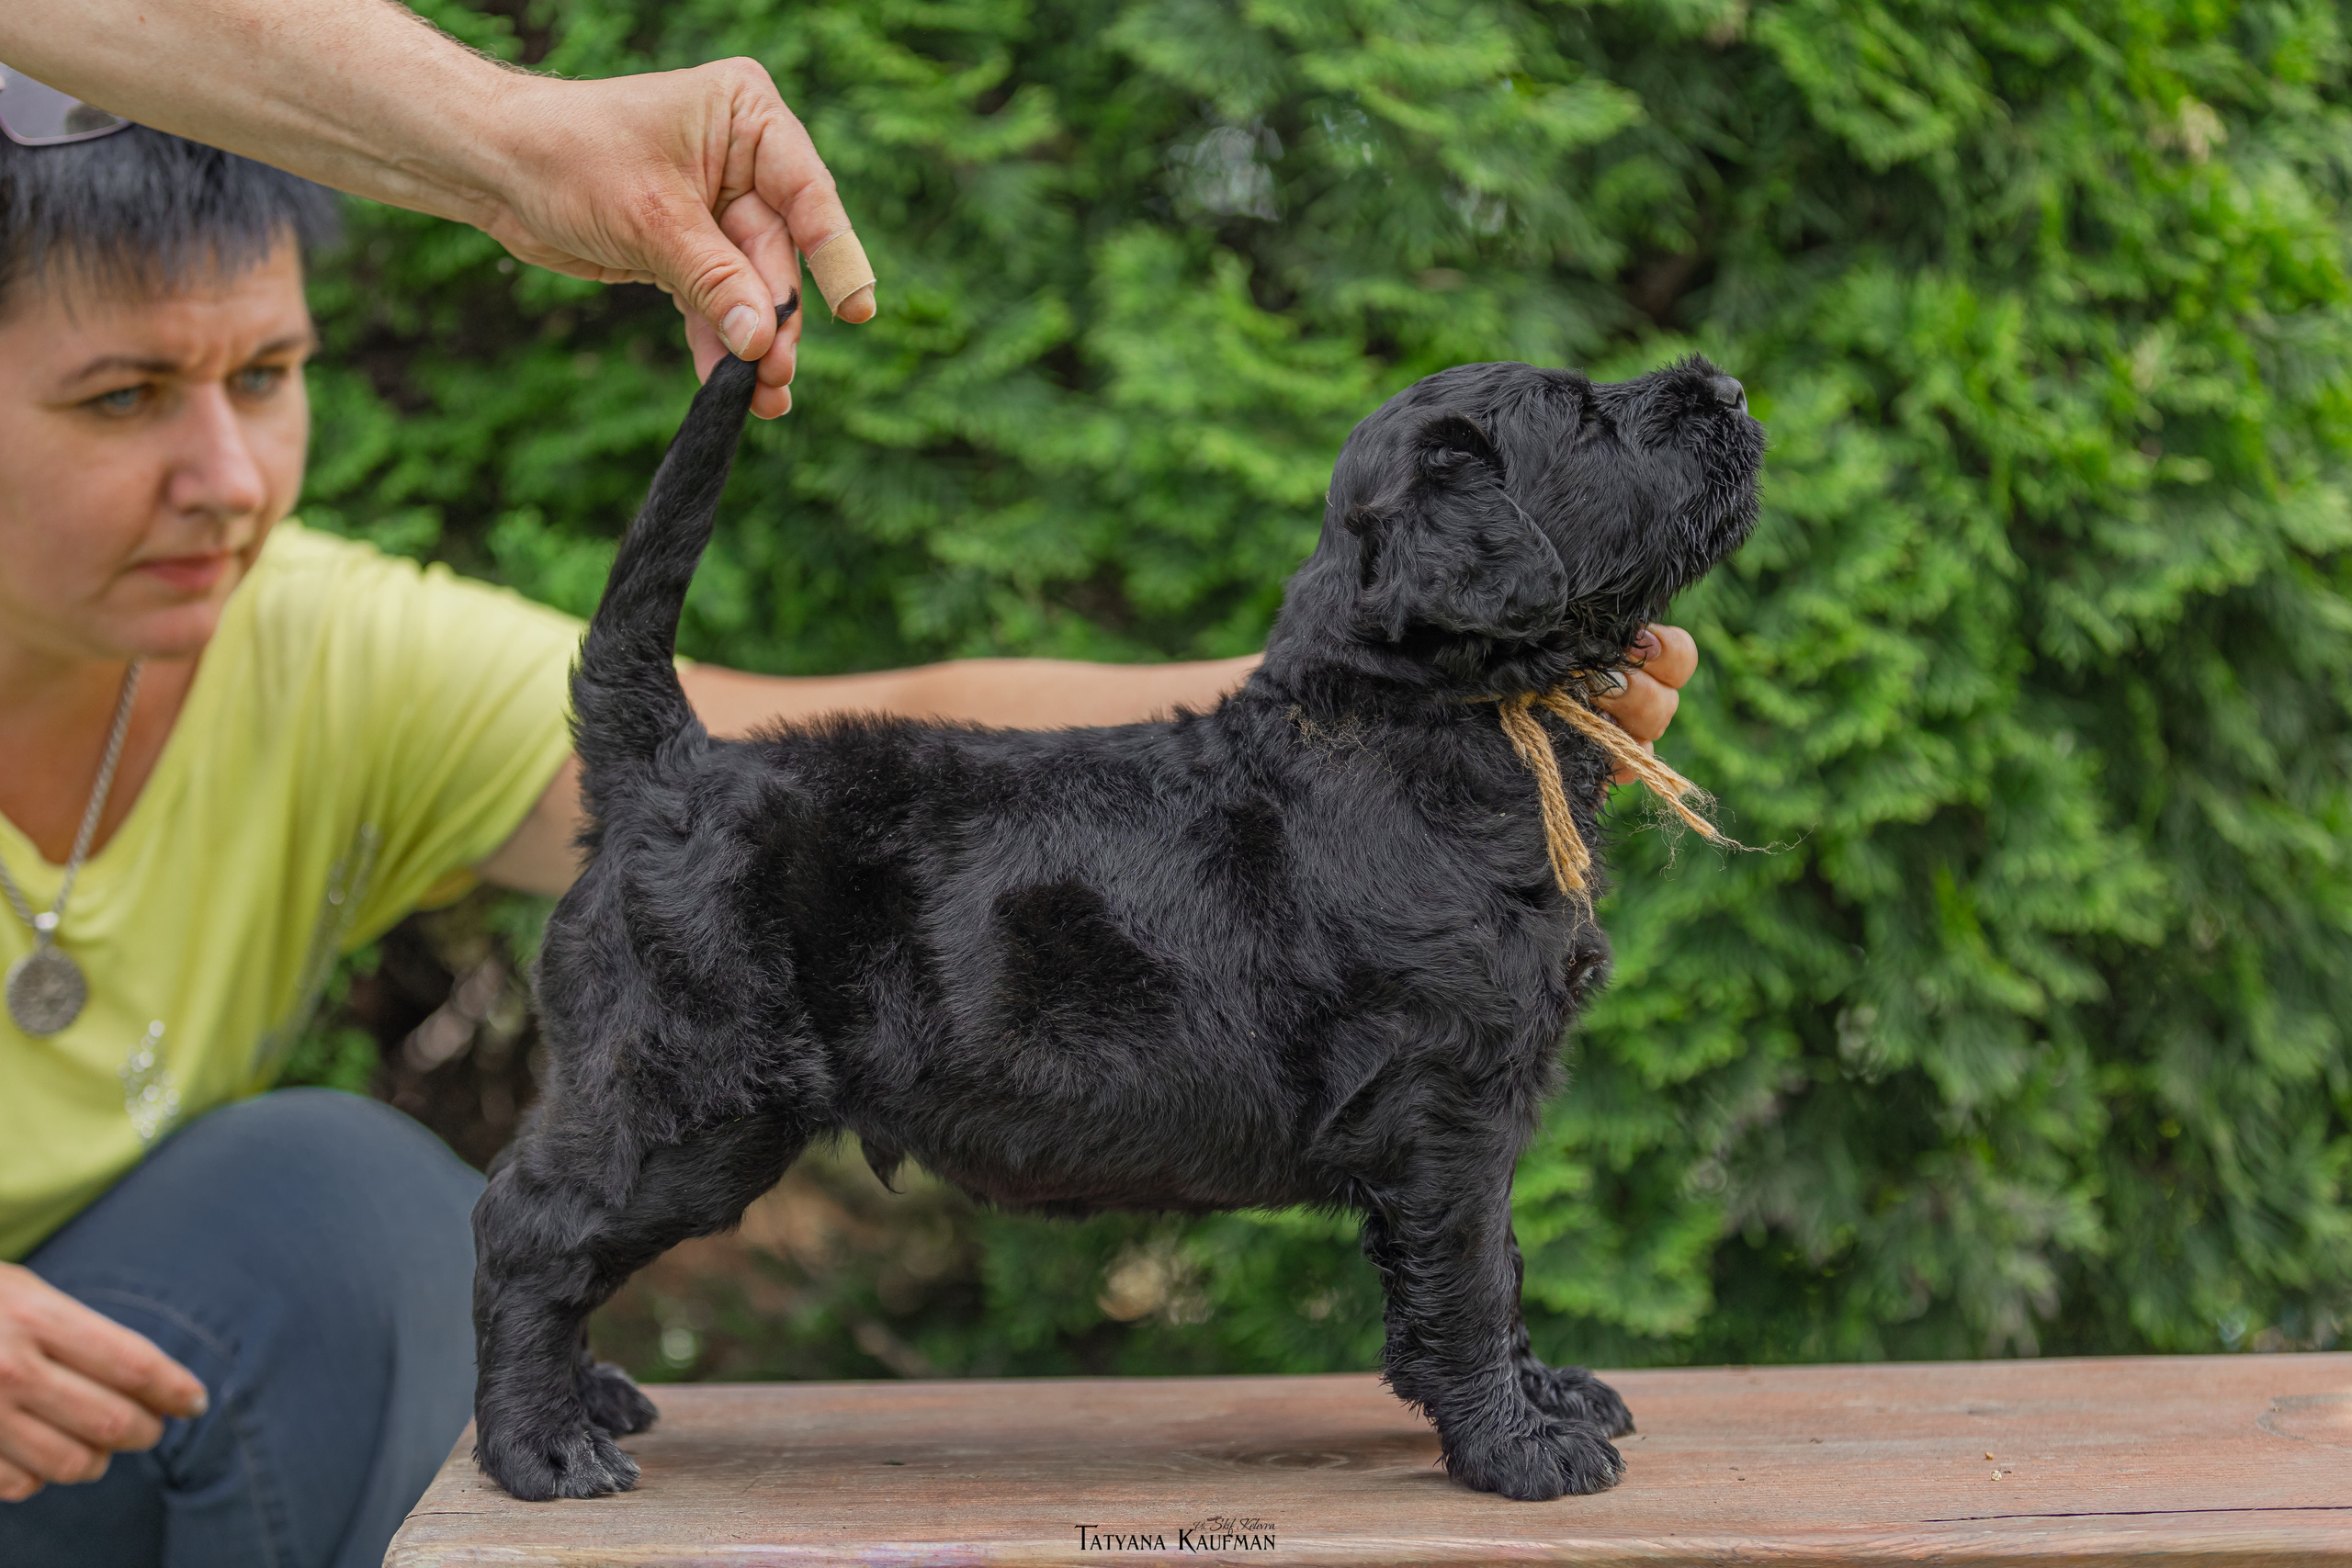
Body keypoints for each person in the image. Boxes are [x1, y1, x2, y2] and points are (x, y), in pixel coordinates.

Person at [0, 52, 1702, 1568]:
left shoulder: (324, 643)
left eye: (271, 373)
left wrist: (1369, 696)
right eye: (122, 395)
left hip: (121, 1364)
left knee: (349, 1176)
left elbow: (849, 758)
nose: (225, 475)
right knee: (365, 1179)